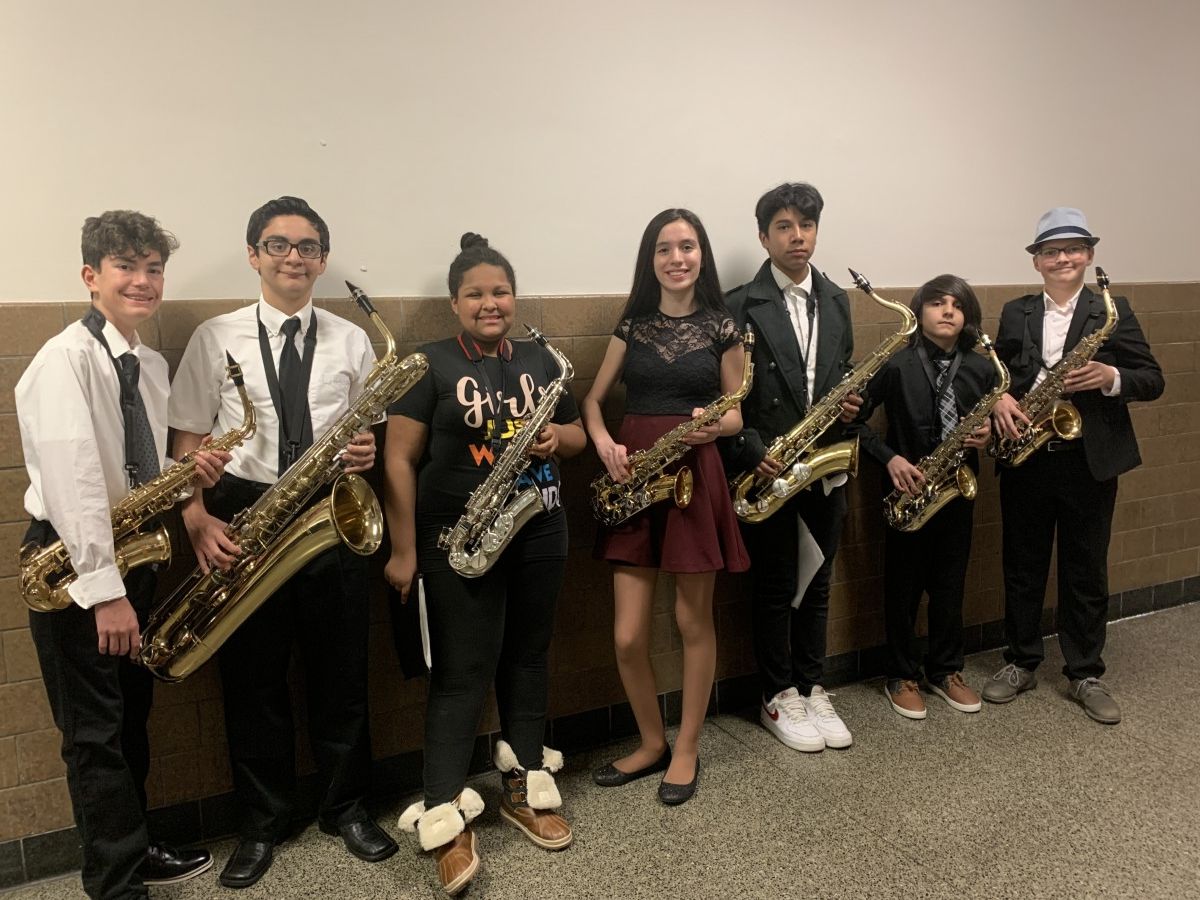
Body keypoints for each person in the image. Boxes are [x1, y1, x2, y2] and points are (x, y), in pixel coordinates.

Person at [168, 196, 396, 888]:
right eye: (278, 245)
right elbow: (186, 438)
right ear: (253, 254)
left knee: (341, 672)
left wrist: (364, 451)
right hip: (244, 514)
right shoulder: (215, 336)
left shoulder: (352, 339)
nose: (292, 257)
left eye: (306, 247)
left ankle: (347, 808)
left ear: (322, 260)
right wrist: (196, 519)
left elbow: (369, 431)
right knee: (253, 678)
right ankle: (262, 825)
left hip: (331, 511)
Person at [16, 210, 226, 899]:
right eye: (126, 267)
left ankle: (134, 850)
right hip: (78, 563)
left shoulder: (148, 362)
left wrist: (186, 472)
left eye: (153, 268)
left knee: (129, 717)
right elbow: (76, 479)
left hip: (128, 551)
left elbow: (129, 466)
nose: (143, 281)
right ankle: (115, 884)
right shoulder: (64, 360)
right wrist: (103, 589)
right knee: (95, 735)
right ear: (90, 277)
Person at [385, 233, 586, 895]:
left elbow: (579, 433)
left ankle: (525, 785)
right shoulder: (429, 364)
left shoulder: (539, 358)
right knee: (462, 673)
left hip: (538, 527)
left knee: (528, 656)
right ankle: (444, 814)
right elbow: (398, 460)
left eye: (500, 291)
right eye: (476, 293)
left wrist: (559, 436)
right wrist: (407, 549)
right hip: (458, 539)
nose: (490, 302)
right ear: (454, 302)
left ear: (514, 296)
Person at [582, 208, 748, 806]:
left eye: (688, 246)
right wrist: (604, 444)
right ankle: (652, 742)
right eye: (664, 249)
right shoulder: (632, 326)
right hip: (633, 479)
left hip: (694, 476)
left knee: (690, 621)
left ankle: (687, 748)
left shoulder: (723, 327)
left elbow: (736, 411)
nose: (677, 258)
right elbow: (595, 402)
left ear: (701, 255)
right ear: (649, 260)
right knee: (628, 636)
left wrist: (711, 428)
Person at [985, 207, 1164, 724]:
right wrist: (999, 400)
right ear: (1036, 261)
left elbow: (1151, 379)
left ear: (1088, 256)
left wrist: (1111, 375)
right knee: (1023, 566)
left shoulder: (1114, 309)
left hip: (1090, 460)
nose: (1062, 258)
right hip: (1029, 454)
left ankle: (1085, 671)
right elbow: (996, 372)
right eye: (1051, 251)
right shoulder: (1015, 311)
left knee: (1085, 569)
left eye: (1073, 249)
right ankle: (1020, 661)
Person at [720, 182, 855, 752]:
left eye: (806, 225)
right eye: (783, 226)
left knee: (818, 581)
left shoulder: (839, 299)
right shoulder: (735, 304)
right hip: (767, 466)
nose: (797, 236)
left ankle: (811, 683)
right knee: (776, 585)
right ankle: (778, 694)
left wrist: (855, 404)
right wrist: (752, 450)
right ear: (763, 236)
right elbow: (721, 395)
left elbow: (844, 373)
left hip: (822, 462)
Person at [845, 275, 996, 719]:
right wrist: (889, 459)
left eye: (957, 304)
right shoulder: (896, 364)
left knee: (951, 585)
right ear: (920, 310)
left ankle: (946, 670)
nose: (948, 311)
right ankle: (900, 673)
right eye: (937, 303)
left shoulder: (983, 368)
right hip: (908, 488)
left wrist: (987, 435)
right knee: (903, 587)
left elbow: (998, 429)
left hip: (958, 488)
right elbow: (852, 426)